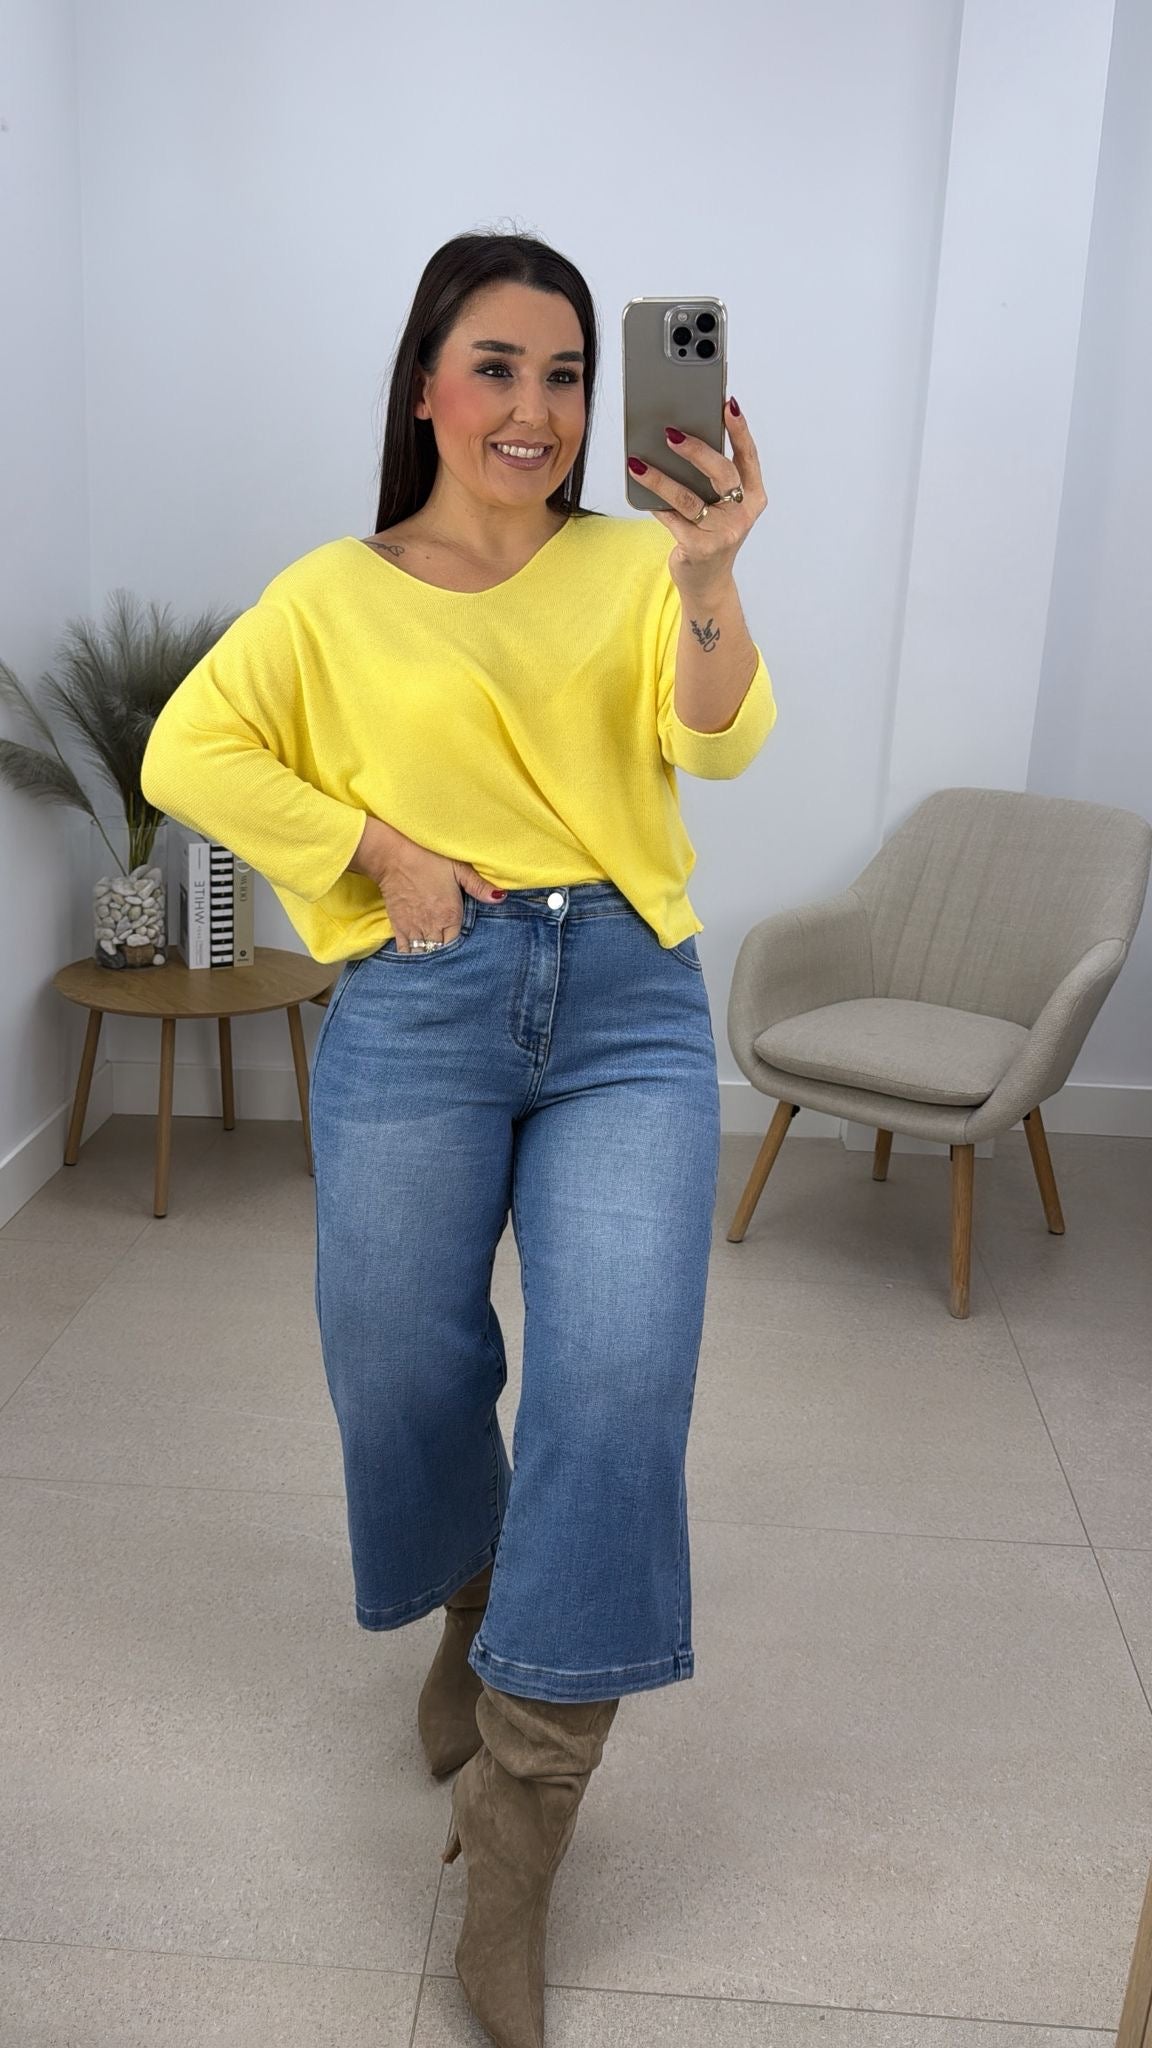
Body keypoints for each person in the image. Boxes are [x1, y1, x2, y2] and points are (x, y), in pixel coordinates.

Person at [140, 229, 776, 2048]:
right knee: (399, 1361)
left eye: (567, 375)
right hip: (421, 999)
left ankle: (522, 1814)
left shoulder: (639, 560)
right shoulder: (333, 594)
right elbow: (191, 751)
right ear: (426, 385)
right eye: (497, 366)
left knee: (618, 1381)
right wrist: (376, 850)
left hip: (628, 1001)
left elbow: (721, 744)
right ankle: (475, 1601)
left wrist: (711, 572)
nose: (536, 409)